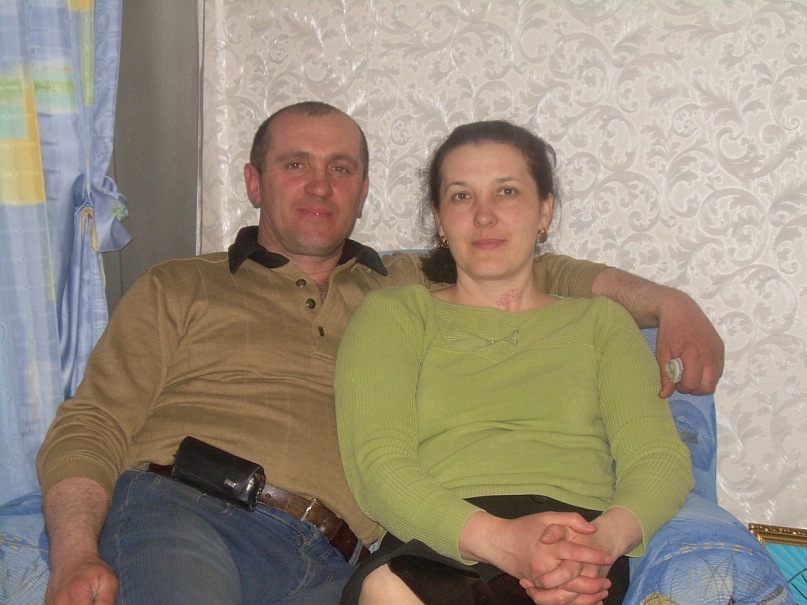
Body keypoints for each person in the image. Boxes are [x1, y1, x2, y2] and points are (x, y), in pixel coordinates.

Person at [36, 101, 719, 605]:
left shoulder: (400, 283)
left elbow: (534, 267)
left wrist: (668, 303)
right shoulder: (179, 284)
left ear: (363, 191)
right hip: (190, 509)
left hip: (330, 555)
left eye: (342, 168)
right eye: (295, 165)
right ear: (253, 182)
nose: (320, 185)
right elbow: (92, 421)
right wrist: (72, 554)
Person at [334, 120, 695, 605]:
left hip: (576, 551)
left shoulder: (601, 323)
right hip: (441, 544)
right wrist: (504, 542)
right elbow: (377, 466)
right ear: (439, 219)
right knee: (388, 588)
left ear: (544, 210)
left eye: (506, 192)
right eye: (461, 196)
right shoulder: (394, 314)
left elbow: (658, 459)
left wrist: (600, 544)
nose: (484, 216)